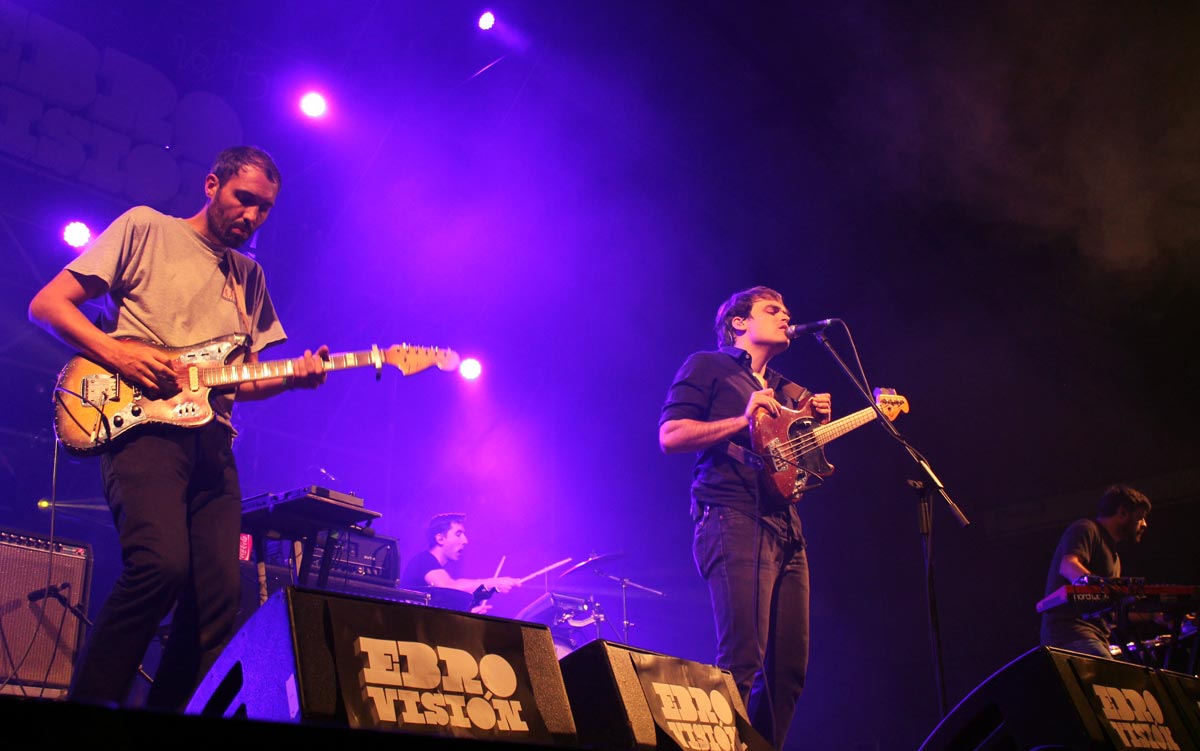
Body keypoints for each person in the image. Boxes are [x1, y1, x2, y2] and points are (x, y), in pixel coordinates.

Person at [28, 146, 329, 710]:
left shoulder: (249, 277)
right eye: (243, 199)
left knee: (217, 598)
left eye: (264, 208)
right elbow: (48, 305)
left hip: (212, 442)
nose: (252, 216)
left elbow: (241, 381)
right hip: (143, 430)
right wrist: (118, 354)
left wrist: (294, 378)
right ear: (212, 185)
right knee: (159, 565)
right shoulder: (146, 227)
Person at [658, 286, 831, 749]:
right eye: (772, 310)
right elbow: (671, 435)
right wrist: (743, 419)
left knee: (787, 674)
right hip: (731, 515)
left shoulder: (786, 388)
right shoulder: (708, 366)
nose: (786, 316)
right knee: (742, 661)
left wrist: (815, 427)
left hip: (787, 528)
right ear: (739, 322)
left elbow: (798, 462)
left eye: (787, 310)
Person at [1040, 484, 1152, 659]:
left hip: (1095, 638)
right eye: (1140, 517)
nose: (1144, 524)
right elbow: (1068, 565)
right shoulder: (1086, 528)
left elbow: (1113, 613)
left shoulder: (1115, 558)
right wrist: (1103, 587)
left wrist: (1156, 615)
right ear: (1122, 513)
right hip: (1070, 634)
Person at [400, 513, 522, 613]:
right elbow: (448, 587)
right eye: (458, 534)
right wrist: (494, 582)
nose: (465, 540)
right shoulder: (424, 560)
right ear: (440, 539)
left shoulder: (435, 567)